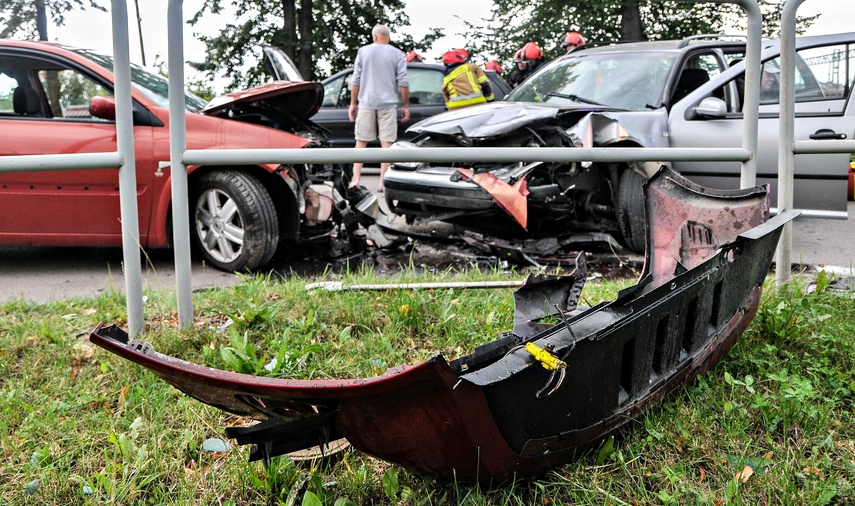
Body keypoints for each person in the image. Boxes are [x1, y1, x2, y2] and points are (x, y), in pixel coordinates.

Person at [348, 24, 410, 192]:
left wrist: (353, 104)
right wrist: (405, 105)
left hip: (366, 103)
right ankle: (383, 182)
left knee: (361, 142)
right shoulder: (397, 54)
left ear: (374, 36)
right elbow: (403, 82)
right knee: (387, 145)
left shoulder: (363, 52)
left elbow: (356, 80)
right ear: (387, 37)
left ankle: (356, 179)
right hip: (388, 105)